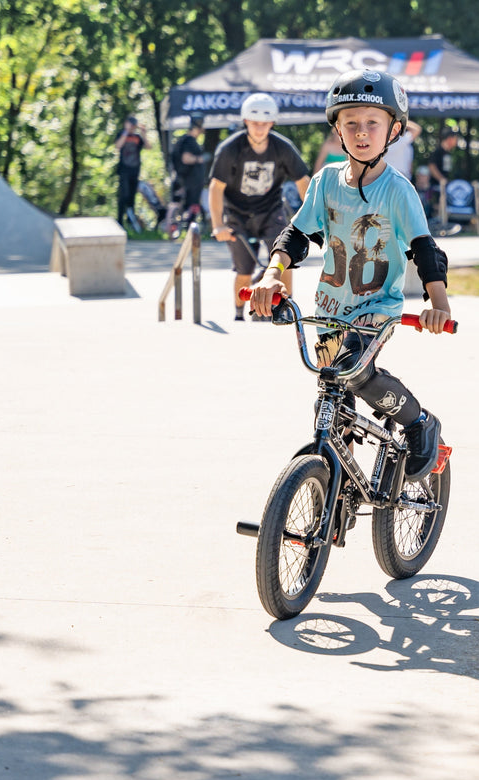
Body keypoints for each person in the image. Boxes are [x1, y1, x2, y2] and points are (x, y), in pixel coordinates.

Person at [247, 69, 453, 481]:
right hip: (330, 309)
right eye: (351, 123)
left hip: (376, 309)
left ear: (393, 129)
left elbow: (424, 250)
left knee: (356, 371)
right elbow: (297, 235)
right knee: (331, 394)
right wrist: (271, 275)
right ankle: (335, 490)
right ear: (338, 131)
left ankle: (419, 424)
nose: (361, 133)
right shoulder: (325, 181)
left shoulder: (398, 190)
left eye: (372, 123)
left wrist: (439, 304)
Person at [209, 93, 312, 321]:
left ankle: (285, 308)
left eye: (264, 123)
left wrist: (310, 216)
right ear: (246, 122)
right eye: (255, 123)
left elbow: (303, 181)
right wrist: (218, 225)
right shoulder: (230, 149)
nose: (259, 128)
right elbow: (216, 188)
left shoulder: (282, 147)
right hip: (237, 213)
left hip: (270, 210)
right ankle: (238, 313)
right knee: (244, 270)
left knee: (284, 258)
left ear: (272, 123)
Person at [168, 117, 210, 219]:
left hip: (188, 181)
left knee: (189, 207)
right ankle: (189, 228)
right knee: (191, 208)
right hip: (190, 182)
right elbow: (186, 158)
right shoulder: (189, 141)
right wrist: (199, 159)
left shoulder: (184, 140)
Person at [113, 115, 146, 226]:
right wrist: (126, 131)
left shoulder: (137, 137)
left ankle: (130, 221)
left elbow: (148, 146)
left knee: (132, 197)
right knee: (124, 195)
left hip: (135, 170)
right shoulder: (121, 134)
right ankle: (120, 221)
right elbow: (118, 146)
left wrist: (143, 133)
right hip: (124, 170)